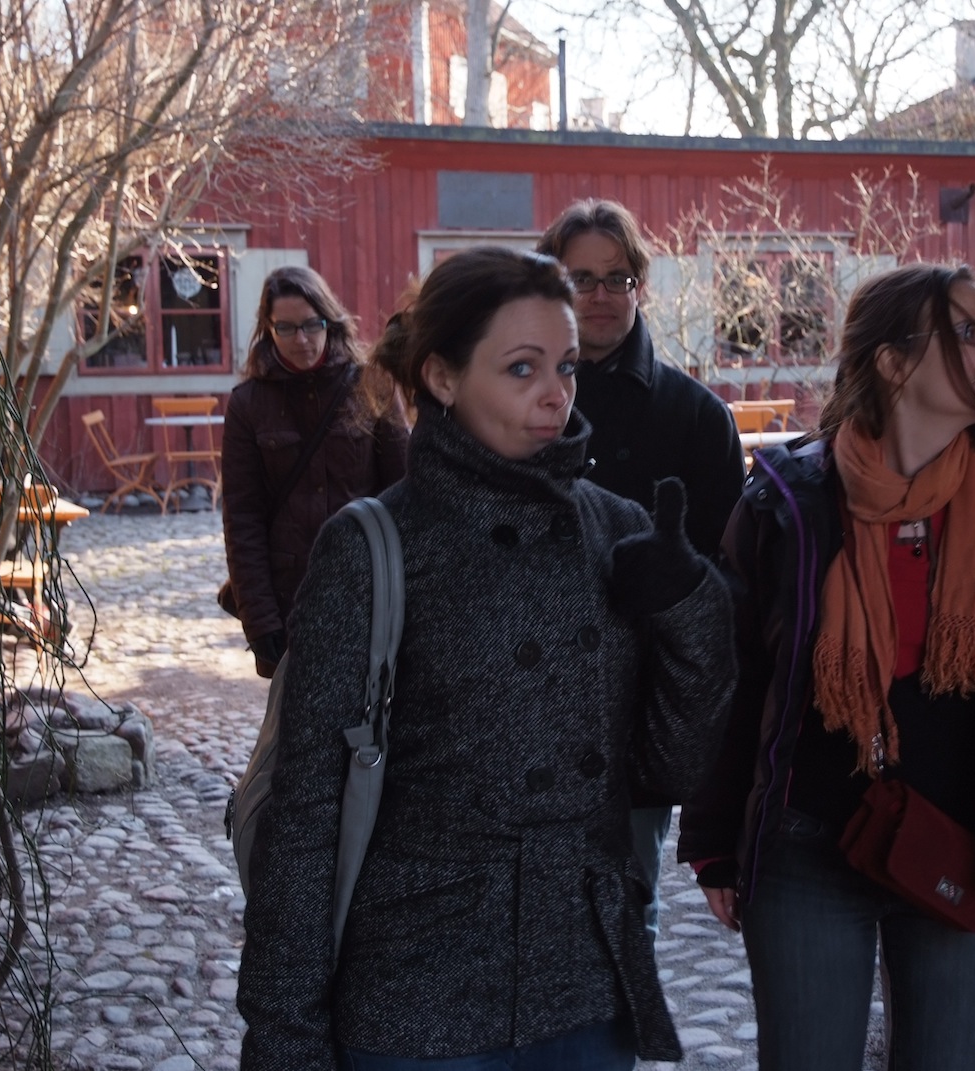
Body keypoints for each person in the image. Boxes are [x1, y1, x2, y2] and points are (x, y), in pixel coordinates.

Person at [236, 247, 737, 1070]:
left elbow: (670, 769)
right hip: (417, 1000)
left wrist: (690, 607)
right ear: (441, 376)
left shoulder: (614, 529)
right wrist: (284, 1035)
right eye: (521, 368)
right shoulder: (374, 546)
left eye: (566, 366)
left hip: (584, 993)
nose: (556, 393)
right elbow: (308, 813)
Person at [677, 263, 975, 1071]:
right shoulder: (787, 502)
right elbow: (731, 679)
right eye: (971, 333)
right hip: (807, 847)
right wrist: (713, 836)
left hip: (965, 849)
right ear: (892, 361)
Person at [536, 198, 745, 937]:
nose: (600, 295)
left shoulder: (696, 418)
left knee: (623, 914)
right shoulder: (507, 404)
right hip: (518, 695)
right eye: (580, 278)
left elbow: (728, 590)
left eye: (616, 278)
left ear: (640, 285)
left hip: (633, 707)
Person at [220, 265, 408, 679]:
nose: (301, 340)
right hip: (290, 598)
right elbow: (242, 519)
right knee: (295, 716)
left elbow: (406, 494)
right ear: (268, 329)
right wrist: (259, 620)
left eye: (311, 325)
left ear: (330, 321)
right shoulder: (248, 404)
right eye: (286, 328)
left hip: (366, 587)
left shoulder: (372, 385)